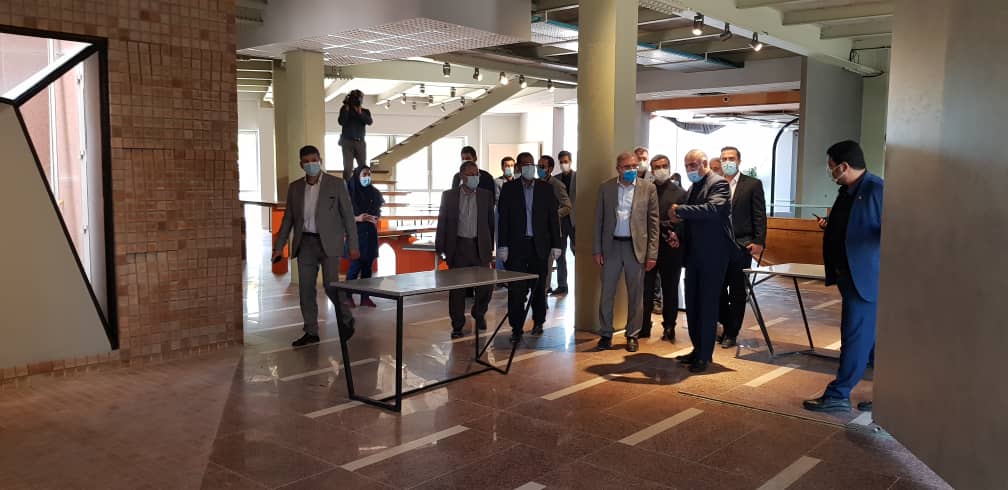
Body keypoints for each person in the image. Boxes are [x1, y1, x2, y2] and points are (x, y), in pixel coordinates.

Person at [803, 140, 883, 413]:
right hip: (850, 277)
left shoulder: (876, 190)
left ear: (844, 166)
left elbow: (890, 232)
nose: (830, 172)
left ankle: (838, 394)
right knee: (870, 341)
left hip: (865, 280)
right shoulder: (848, 191)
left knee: (855, 336)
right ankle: (888, 398)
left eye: (832, 167)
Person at [272, 145, 358, 347]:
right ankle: (311, 331)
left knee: (331, 286)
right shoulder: (295, 188)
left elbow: (348, 216)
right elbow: (288, 220)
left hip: (330, 242)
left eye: (314, 160)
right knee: (306, 290)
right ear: (301, 164)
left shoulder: (336, 184)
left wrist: (353, 245)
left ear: (320, 160)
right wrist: (279, 247)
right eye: (307, 161)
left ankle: (347, 320)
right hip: (305, 243)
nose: (311, 164)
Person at [668, 150, 733, 373]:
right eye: (687, 165)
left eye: (693, 165)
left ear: (704, 163)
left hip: (713, 255)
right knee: (693, 304)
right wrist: (677, 232)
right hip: (694, 255)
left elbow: (712, 210)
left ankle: (705, 355)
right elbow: (689, 221)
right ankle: (697, 349)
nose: (689, 169)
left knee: (707, 305)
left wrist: (679, 210)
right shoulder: (693, 187)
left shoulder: (719, 184)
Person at [592, 152, 659, 352]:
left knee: (636, 294)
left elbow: (653, 223)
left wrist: (652, 254)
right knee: (607, 293)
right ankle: (606, 334)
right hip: (611, 247)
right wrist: (597, 249)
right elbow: (598, 221)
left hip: (635, 248)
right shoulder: (606, 187)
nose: (631, 170)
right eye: (627, 167)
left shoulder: (648, 188)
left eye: (634, 166)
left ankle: (632, 334)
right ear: (618, 169)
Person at [497, 152, 561, 342]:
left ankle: (538, 321)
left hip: (539, 246)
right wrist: (502, 245)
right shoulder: (509, 189)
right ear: (518, 167)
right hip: (516, 247)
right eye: (525, 165)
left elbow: (553, 218)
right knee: (516, 289)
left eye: (531, 164)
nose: (529, 168)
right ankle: (516, 327)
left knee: (539, 287)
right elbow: (503, 219)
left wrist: (556, 244)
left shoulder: (545, 188)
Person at [710, 146, 767, 348]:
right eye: (724, 158)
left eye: (731, 158)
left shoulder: (752, 184)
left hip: (741, 245)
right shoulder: (714, 184)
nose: (727, 162)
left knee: (737, 291)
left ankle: (732, 333)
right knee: (716, 289)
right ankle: (726, 324)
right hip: (716, 246)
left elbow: (759, 214)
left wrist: (759, 241)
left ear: (739, 161)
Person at [435, 161, 495, 338]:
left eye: (477, 174)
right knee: (458, 290)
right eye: (471, 174)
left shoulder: (486, 195)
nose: (475, 177)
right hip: (458, 247)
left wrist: (491, 246)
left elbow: (490, 223)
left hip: (480, 246)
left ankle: (479, 312)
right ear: (462, 176)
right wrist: (440, 247)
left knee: (486, 287)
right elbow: (442, 222)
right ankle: (457, 325)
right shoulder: (449, 196)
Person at [641, 154, 687, 341]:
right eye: (657, 167)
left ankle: (669, 326)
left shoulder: (681, 193)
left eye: (664, 166)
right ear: (652, 170)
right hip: (648, 248)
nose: (661, 170)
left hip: (670, 247)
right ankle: (644, 325)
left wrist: (675, 232)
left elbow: (685, 220)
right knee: (646, 289)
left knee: (670, 289)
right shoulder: (645, 190)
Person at [344, 166, 384, 308]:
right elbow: (342, 216)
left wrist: (375, 217)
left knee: (368, 268)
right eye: (364, 174)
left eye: (369, 174)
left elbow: (378, 211)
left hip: (370, 233)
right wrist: (358, 218)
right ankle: (347, 296)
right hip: (355, 234)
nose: (367, 177)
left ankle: (365, 297)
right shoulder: (348, 193)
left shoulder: (374, 193)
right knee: (355, 267)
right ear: (357, 176)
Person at [538, 155, 573, 295]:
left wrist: (552, 215)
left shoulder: (556, 184)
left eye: (542, 167)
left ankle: (549, 289)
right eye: (538, 166)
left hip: (554, 229)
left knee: (553, 260)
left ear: (550, 168)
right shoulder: (536, 183)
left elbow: (567, 206)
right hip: (539, 230)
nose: (539, 169)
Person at [553, 150, 577, 295]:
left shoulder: (578, 177)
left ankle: (581, 284)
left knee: (578, 252)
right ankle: (562, 284)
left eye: (566, 161)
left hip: (575, 221)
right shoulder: (555, 179)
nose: (563, 164)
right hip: (560, 220)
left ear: (571, 161)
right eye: (561, 162)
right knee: (559, 254)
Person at [337, 89, 373, 181]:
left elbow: (369, 122)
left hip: (360, 142)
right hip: (347, 141)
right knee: (347, 168)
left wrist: (360, 113)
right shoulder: (345, 109)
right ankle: (347, 186)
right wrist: (346, 110)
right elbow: (341, 122)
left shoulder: (365, 111)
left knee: (363, 166)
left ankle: (364, 185)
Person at [493, 156, 516, 273]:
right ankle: (500, 273)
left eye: (511, 165)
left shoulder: (518, 181)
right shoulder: (497, 182)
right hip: (501, 214)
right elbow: (498, 200)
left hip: (516, 216)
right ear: (502, 167)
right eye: (507, 165)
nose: (509, 168)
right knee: (501, 244)